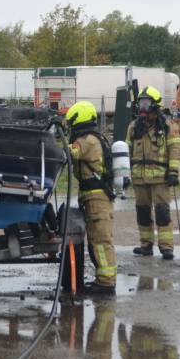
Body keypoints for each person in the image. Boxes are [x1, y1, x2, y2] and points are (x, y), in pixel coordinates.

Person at [66, 101, 117, 295]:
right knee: (96, 239)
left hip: (97, 198)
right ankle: (103, 280)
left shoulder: (88, 140)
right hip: (93, 197)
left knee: (101, 241)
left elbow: (70, 152)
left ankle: (106, 283)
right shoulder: (92, 137)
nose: (69, 126)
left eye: (71, 122)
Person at [126, 86, 180, 260]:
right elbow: (126, 150)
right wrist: (123, 174)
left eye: (146, 103)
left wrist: (173, 172)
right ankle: (146, 245)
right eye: (140, 103)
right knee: (142, 212)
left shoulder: (167, 126)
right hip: (139, 178)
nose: (142, 107)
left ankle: (166, 248)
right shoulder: (134, 126)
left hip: (160, 178)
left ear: (155, 104)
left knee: (162, 213)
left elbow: (174, 149)